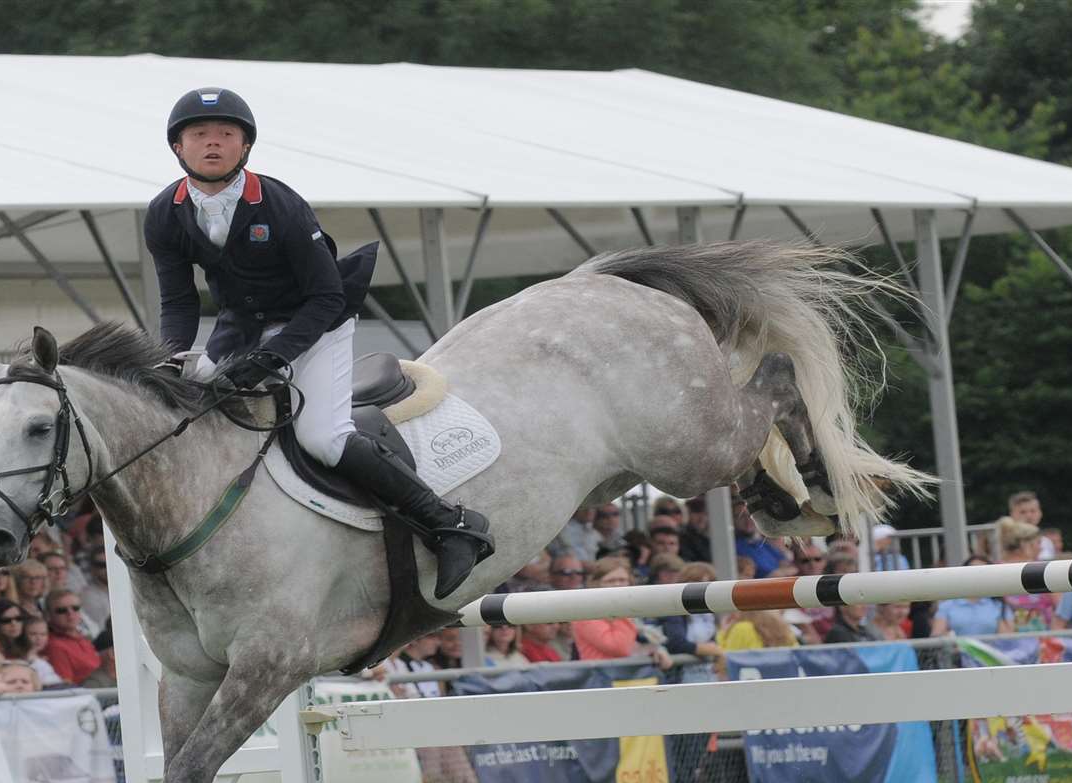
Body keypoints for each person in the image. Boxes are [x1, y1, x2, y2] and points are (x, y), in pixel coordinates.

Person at [145, 86, 491, 597]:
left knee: (322, 437)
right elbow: (178, 303)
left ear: (245, 147)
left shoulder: (281, 205)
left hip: (318, 321)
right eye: (199, 134)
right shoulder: (163, 213)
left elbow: (326, 296)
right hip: (241, 327)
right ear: (178, 147)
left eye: (226, 134)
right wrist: (171, 356)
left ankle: (449, 524)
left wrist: (274, 356)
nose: (212, 143)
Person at [569, 558, 673, 669]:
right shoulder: (586, 611)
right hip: (601, 679)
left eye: (622, 580)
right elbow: (619, 647)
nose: (618, 585)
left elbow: (631, 645)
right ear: (596, 583)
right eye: (611, 581)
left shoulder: (625, 610)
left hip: (624, 678)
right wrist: (622, 612)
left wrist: (654, 650)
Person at [41, 590, 102, 685]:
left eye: (75, 608)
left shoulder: (82, 638)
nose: (70, 613)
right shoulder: (54, 646)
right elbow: (65, 687)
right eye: (61, 610)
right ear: (48, 615)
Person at [1008, 490, 1058, 559]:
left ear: (1040, 513)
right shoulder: (1005, 542)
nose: (1029, 516)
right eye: (1022, 512)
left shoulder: (1047, 542)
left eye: (1033, 511)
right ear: (1012, 514)